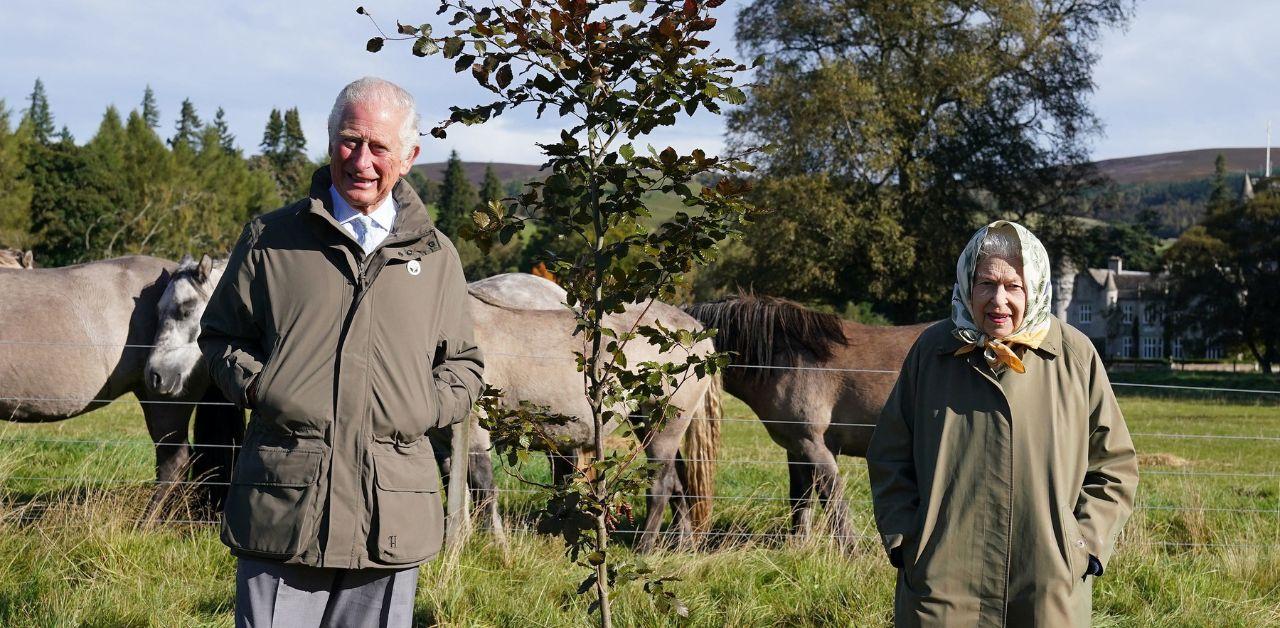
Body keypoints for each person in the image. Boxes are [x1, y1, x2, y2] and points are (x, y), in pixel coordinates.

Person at [198, 76, 484, 628]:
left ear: (408, 156)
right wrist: (261, 386)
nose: (362, 160)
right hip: (284, 504)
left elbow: (464, 364)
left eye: (379, 147)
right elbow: (221, 335)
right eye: (350, 141)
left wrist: (422, 407)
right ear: (330, 143)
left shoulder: (437, 257)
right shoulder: (270, 240)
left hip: (390, 511)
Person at [867, 220, 1138, 627]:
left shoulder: (1073, 355)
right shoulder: (933, 351)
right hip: (941, 585)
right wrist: (909, 543)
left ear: (1036, 286)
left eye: (1014, 286)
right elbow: (890, 455)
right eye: (986, 283)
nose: (999, 300)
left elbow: (1114, 465)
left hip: (1046, 584)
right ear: (966, 284)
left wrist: (1083, 547)